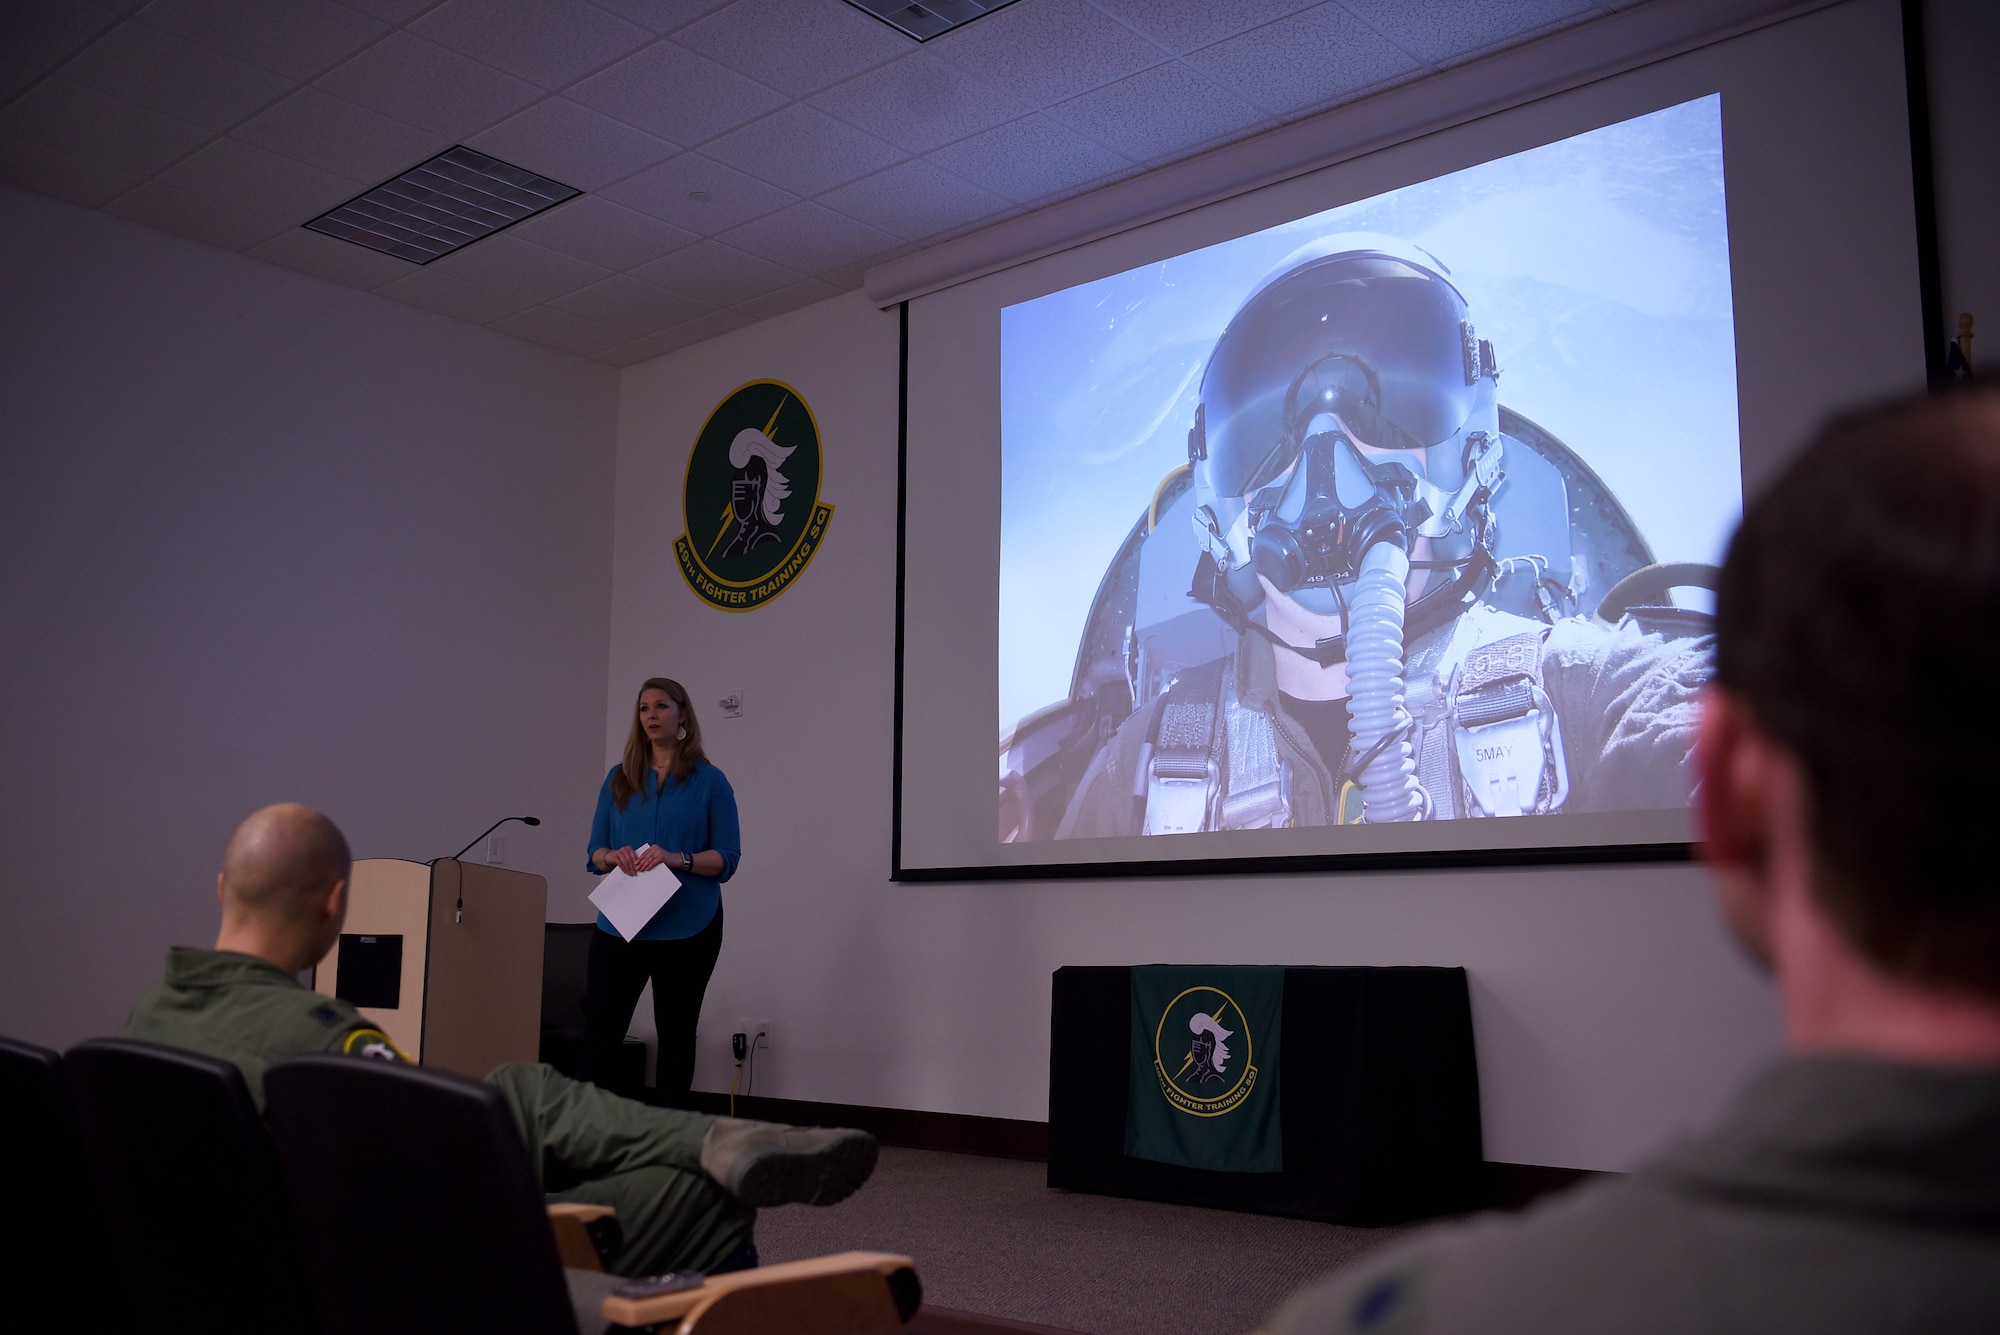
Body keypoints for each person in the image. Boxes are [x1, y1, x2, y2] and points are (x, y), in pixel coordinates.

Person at [1267, 381, 2000, 1334]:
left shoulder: (1578, 671)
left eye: (1384, 420)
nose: (1328, 470)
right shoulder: (1146, 745)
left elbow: (1664, 693)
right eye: (1279, 439)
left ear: (1735, 788)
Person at [1056, 237, 1710, 837]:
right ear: (1218, 501)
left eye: (1392, 404)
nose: (1326, 463)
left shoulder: (1582, 697)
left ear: (1471, 445)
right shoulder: (1143, 761)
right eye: (1263, 433)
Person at [120, 803, 876, 1278]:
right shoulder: (311, 1039)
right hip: (407, 1258)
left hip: (258, 1245)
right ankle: (715, 1140)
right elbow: (440, 1166)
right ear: (335, 902)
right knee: (690, 1192)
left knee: (517, 1085)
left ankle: (714, 1136)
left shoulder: (140, 1027)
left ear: (223, 888)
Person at [585, 677, 738, 1100]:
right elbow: (594, 851)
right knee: (601, 1030)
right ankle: (596, 1131)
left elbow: (727, 858)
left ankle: (669, 1136)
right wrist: (611, 856)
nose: (651, 715)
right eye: (644, 709)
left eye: (661, 706)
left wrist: (678, 858)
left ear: (682, 714)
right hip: (622, 924)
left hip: (688, 926)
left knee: (675, 1032)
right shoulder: (618, 779)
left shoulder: (710, 781)